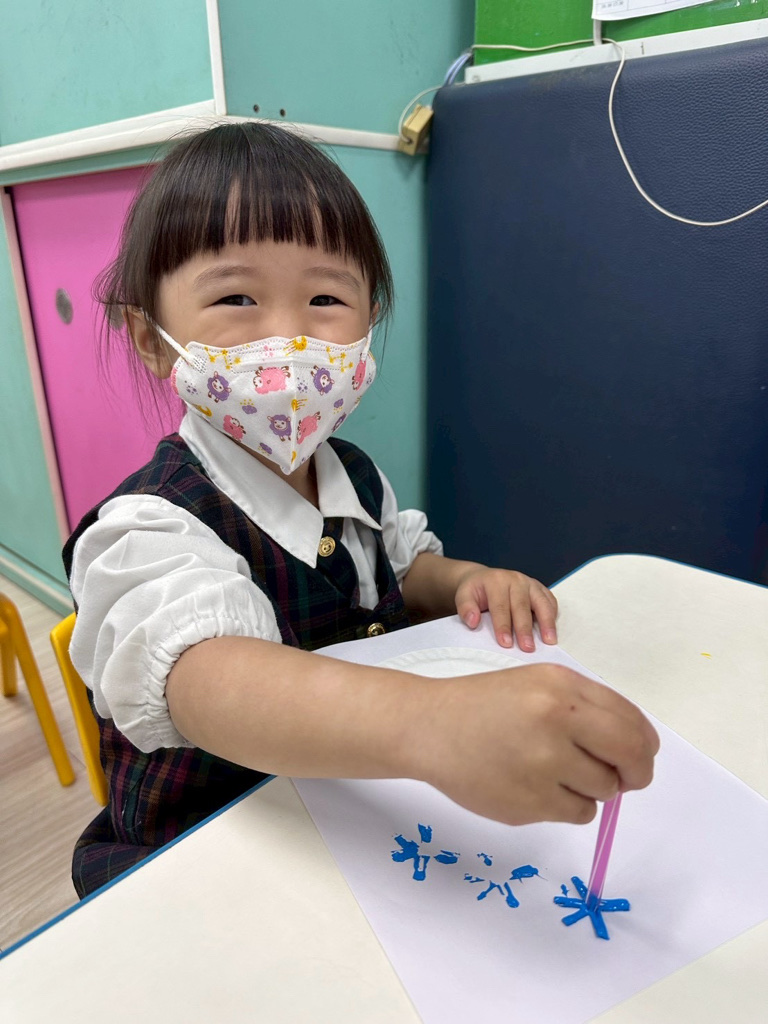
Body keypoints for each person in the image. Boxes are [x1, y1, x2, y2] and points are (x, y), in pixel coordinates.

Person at [65, 122, 658, 898]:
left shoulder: (354, 475)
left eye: (326, 298)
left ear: (369, 319)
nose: (288, 337)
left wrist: (464, 582)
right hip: (212, 862)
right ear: (151, 338)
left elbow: (400, 566)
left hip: (350, 827)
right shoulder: (145, 529)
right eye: (236, 298)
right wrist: (436, 724)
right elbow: (208, 680)